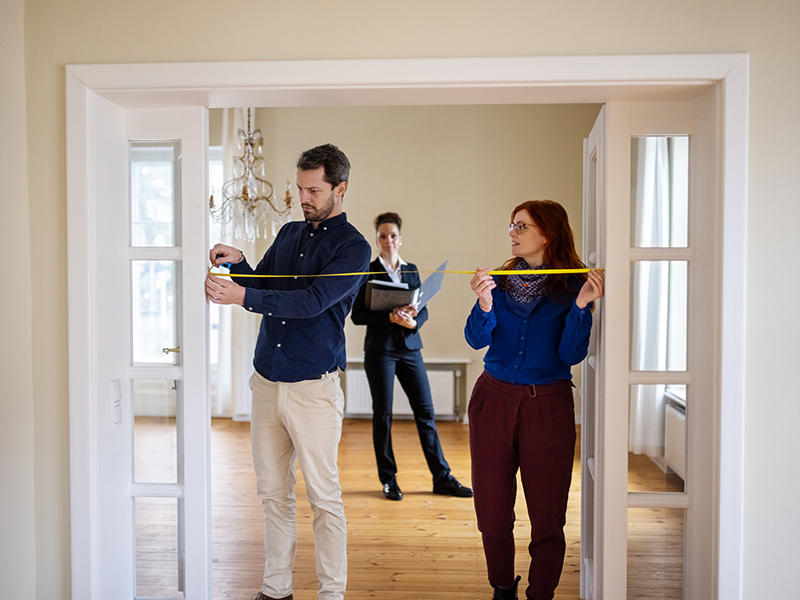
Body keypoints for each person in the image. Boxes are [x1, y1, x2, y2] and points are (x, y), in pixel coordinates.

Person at [205, 144, 371, 600]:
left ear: (340, 188)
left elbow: (311, 303)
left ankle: (331, 594)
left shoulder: (354, 247)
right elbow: (265, 285)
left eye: (314, 190)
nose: (304, 198)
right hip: (266, 383)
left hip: (314, 389)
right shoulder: (289, 233)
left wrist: (241, 296)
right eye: (299, 188)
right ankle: (275, 590)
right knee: (272, 494)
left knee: (324, 497)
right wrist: (240, 265)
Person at [465, 200, 605, 600]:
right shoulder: (497, 280)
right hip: (493, 401)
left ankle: (541, 592)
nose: (512, 232)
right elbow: (476, 340)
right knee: (491, 511)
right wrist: (485, 304)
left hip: (548, 407)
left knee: (547, 515)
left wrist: (581, 308)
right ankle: (502, 586)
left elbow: (571, 355)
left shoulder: (576, 287)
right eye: (512, 225)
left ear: (548, 234)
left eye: (521, 226)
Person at [351, 212, 472, 501]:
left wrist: (414, 320)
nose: (388, 240)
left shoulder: (412, 270)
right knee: (383, 415)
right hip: (380, 351)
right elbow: (357, 316)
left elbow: (424, 307)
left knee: (426, 413)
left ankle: (442, 477)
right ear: (377, 239)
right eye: (383, 235)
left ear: (400, 239)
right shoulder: (366, 271)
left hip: (410, 348)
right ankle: (389, 479)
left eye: (393, 235)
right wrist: (391, 318)